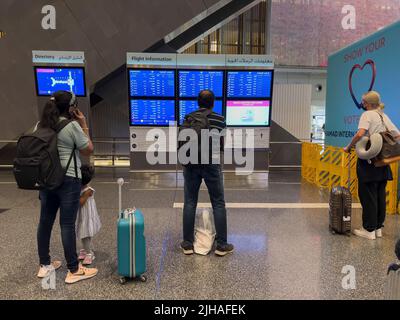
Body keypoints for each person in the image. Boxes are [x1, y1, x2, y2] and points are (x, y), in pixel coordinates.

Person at [36, 90, 98, 284]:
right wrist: (84, 125)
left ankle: (45, 265)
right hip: (68, 179)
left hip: (46, 179)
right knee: (67, 224)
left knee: (45, 221)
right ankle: (73, 269)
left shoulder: (41, 125)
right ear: (71, 107)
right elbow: (88, 150)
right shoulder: (70, 125)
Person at [179, 90, 234, 256]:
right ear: (213, 102)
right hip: (211, 164)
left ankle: (187, 244)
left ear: (198, 102)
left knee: (190, 202)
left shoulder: (189, 117)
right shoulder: (220, 119)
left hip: (191, 164)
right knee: (218, 203)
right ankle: (222, 245)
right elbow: (221, 144)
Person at [344, 91, 400, 240]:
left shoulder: (367, 115)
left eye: (363, 102)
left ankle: (368, 230)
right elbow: (397, 135)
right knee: (380, 193)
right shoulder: (383, 115)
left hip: (369, 159)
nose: (362, 104)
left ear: (367, 103)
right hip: (383, 160)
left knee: (368, 194)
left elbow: (360, 134)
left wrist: (349, 146)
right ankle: (377, 228)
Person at [76, 165, 101, 265]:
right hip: (83, 216)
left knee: (85, 234)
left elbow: (80, 202)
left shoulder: (88, 190)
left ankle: (90, 253)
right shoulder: (82, 188)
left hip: (87, 216)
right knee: (83, 234)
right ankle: (85, 249)